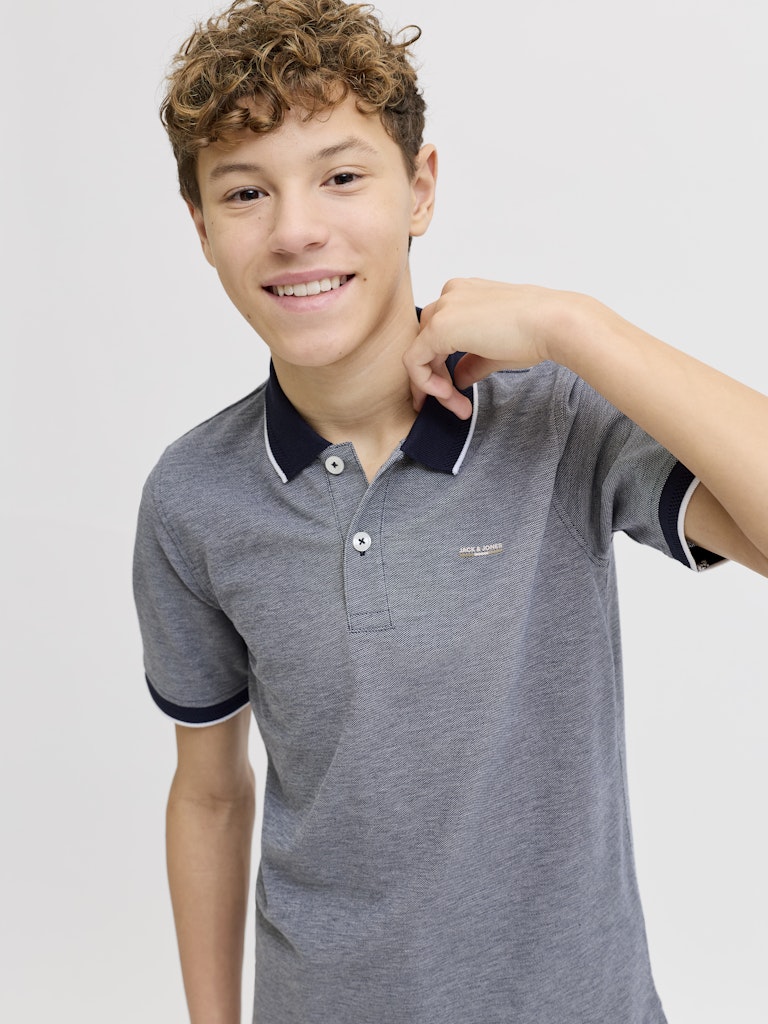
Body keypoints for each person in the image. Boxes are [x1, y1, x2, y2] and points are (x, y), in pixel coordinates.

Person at [133, 1, 768, 1022]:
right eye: (247, 191)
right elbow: (209, 793)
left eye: (342, 176)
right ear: (203, 228)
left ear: (420, 188)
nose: (296, 228)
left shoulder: (555, 420)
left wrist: (577, 327)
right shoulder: (192, 498)